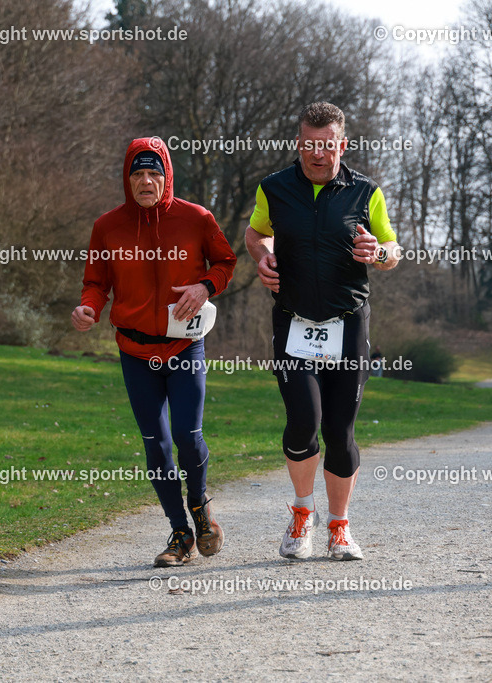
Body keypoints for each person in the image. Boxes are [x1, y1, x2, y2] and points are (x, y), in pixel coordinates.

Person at [244, 102, 400, 561]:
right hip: (293, 322)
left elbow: (392, 249)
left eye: (327, 146)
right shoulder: (274, 188)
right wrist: (264, 255)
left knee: (340, 429)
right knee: (302, 422)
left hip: (348, 323)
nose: (318, 154)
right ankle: (300, 513)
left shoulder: (365, 193)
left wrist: (379, 252)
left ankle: (339, 526)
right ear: (299, 144)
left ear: (341, 145)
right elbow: (256, 234)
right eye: (310, 145)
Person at [72, 137, 237, 567]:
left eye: (154, 173)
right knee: (156, 444)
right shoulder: (107, 226)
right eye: (138, 174)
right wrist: (89, 307)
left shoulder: (196, 218)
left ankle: (200, 507)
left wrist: (204, 287)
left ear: (166, 177)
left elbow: (225, 263)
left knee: (187, 435)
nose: (146, 181)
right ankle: (179, 532)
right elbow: (96, 281)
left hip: (185, 347)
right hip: (134, 350)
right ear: (127, 180)